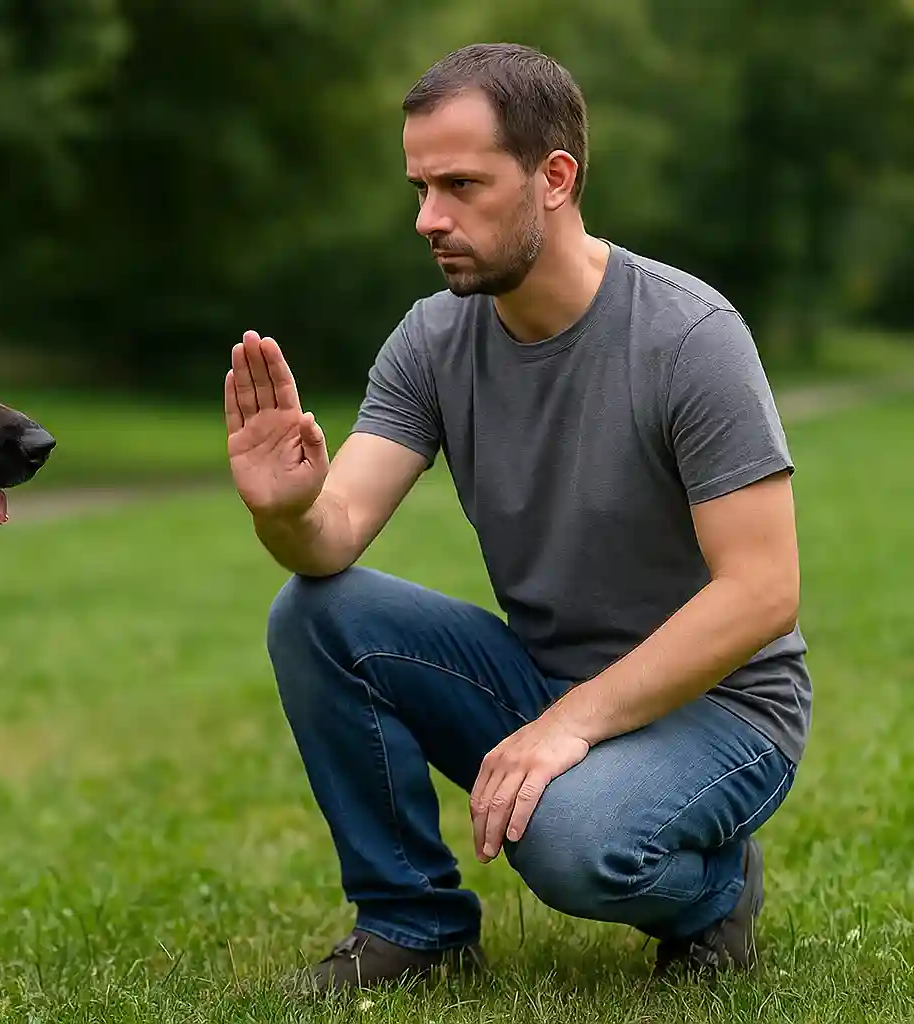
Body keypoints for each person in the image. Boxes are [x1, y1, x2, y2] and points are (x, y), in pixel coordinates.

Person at [225, 42, 807, 993]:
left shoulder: (690, 337)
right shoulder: (432, 339)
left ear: (555, 179)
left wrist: (568, 726)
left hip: (723, 708)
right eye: (420, 188)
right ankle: (414, 925)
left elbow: (764, 592)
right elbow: (331, 537)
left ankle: (716, 891)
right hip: (547, 683)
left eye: (461, 185)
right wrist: (284, 512)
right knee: (317, 612)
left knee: (569, 840)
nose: (429, 218)